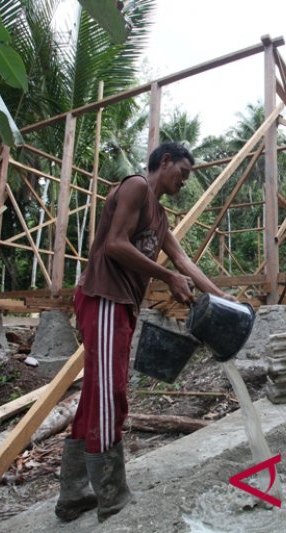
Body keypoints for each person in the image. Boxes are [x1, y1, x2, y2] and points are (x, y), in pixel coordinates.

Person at [56, 142, 233, 523]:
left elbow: (182, 259)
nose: (184, 182)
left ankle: (73, 493)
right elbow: (115, 245)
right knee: (111, 394)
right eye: (182, 174)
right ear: (164, 162)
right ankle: (112, 495)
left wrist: (221, 297)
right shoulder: (136, 187)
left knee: (94, 396)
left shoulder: (161, 216)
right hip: (103, 296)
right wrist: (167, 276)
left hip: (121, 304)